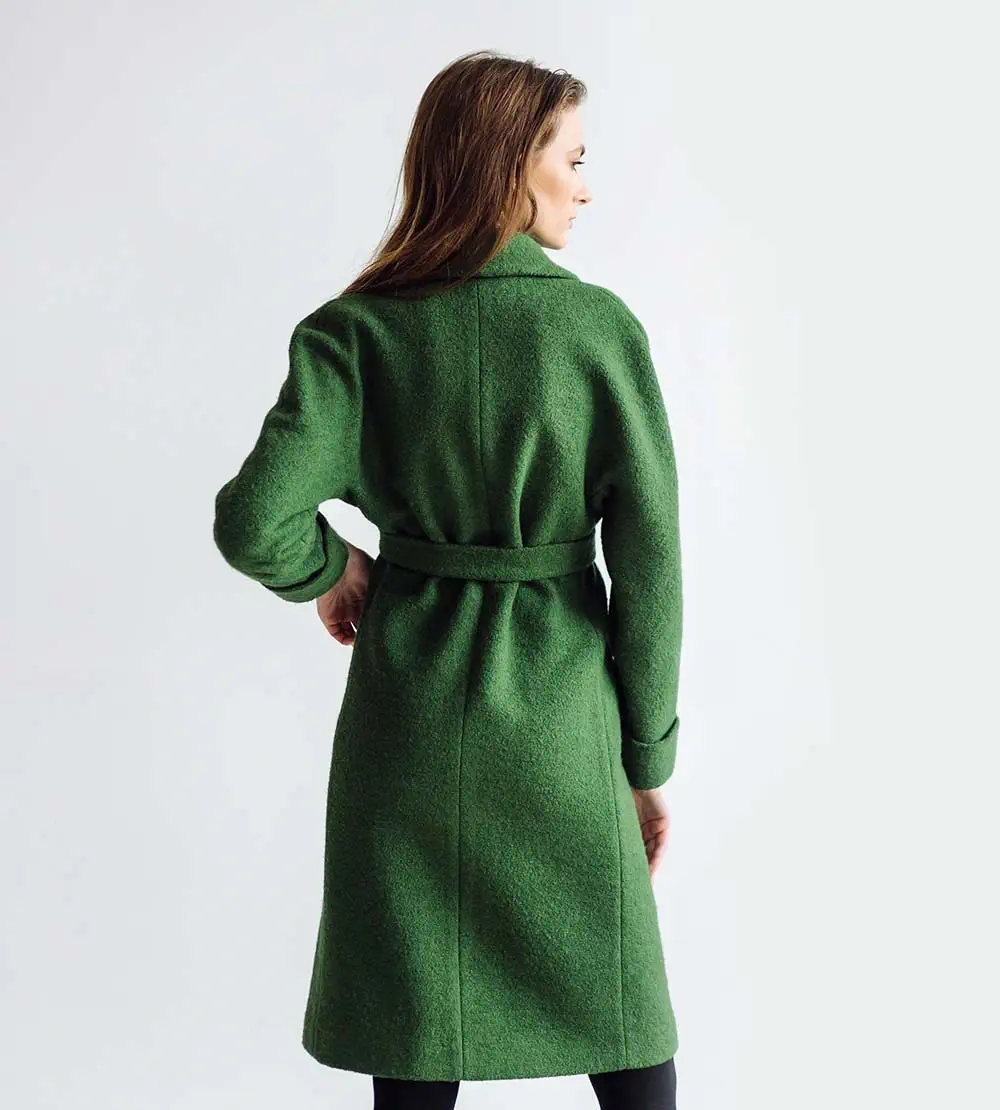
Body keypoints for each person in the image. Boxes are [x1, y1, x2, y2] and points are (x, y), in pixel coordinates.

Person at [213, 49, 683, 1110]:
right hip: (563, 727)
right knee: (621, 1017)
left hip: (407, 725)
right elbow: (651, 564)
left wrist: (334, 568)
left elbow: (254, 520)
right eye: (573, 158)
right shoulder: (597, 331)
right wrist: (645, 755)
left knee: (418, 1029)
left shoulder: (355, 332)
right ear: (511, 163)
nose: (586, 186)